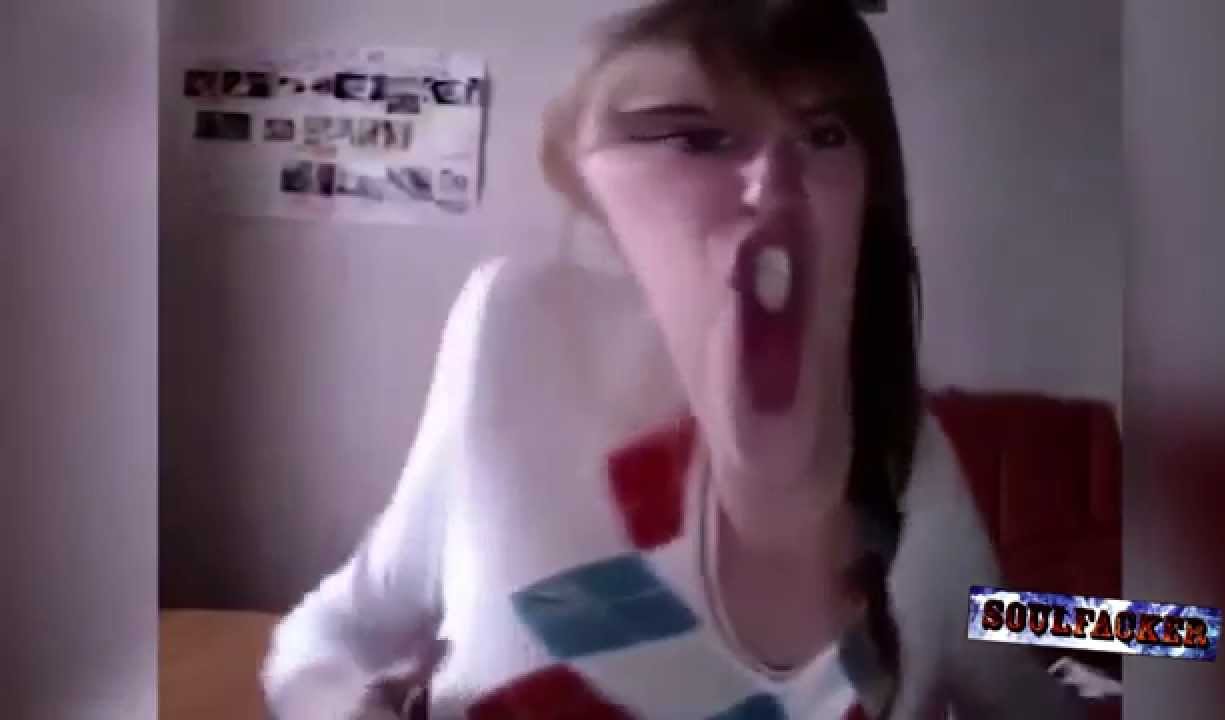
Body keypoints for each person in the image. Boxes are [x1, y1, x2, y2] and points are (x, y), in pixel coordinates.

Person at [261, 1, 1086, 718]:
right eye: (699, 139)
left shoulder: (907, 462)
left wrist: (1150, 623)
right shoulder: (513, 338)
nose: (770, 187)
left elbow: (1022, 648)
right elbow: (336, 630)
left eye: (823, 136)